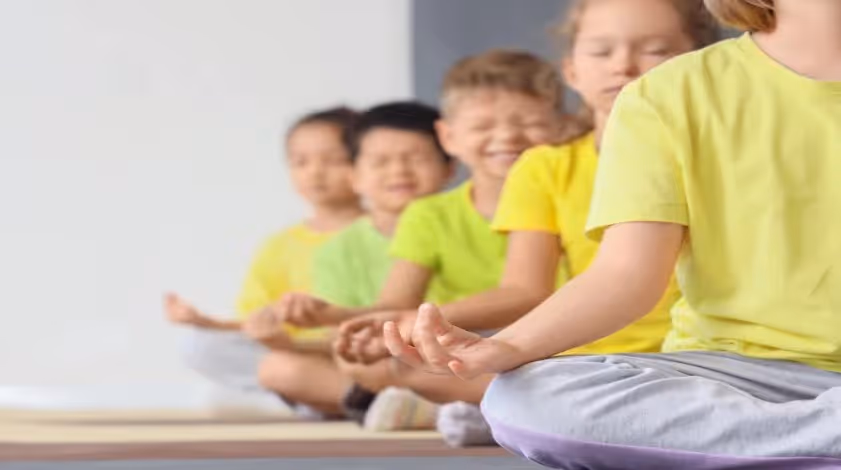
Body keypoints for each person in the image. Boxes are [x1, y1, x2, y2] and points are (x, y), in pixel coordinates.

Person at [386, 0, 841, 467]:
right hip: (731, 371)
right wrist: (507, 346)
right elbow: (625, 274)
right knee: (524, 399)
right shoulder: (668, 94)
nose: (622, 63)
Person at [341, 0, 719, 445]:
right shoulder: (544, 168)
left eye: (656, 50)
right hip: (584, 362)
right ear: (572, 71)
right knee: (518, 388)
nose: (624, 66)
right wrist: (418, 320)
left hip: (701, 358)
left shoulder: (720, 155)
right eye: (601, 52)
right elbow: (525, 290)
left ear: (702, 64)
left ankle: (503, 417)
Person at [255, 102, 453, 416]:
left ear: (449, 165)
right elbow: (343, 341)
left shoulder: (465, 224)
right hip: (380, 362)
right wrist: (288, 342)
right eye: (380, 161)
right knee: (279, 367)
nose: (398, 171)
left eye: (415, 158)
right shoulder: (339, 249)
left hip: (458, 354)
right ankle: (397, 406)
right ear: (354, 176)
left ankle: (401, 406)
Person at [165, 107, 362, 414]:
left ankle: (312, 399)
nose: (315, 172)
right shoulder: (279, 245)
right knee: (199, 345)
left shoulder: (385, 235)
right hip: (293, 353)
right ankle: (312, 396)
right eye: (300, 162)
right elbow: (254, 320)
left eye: (333, 160)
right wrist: (207, 323)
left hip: (358, 354)